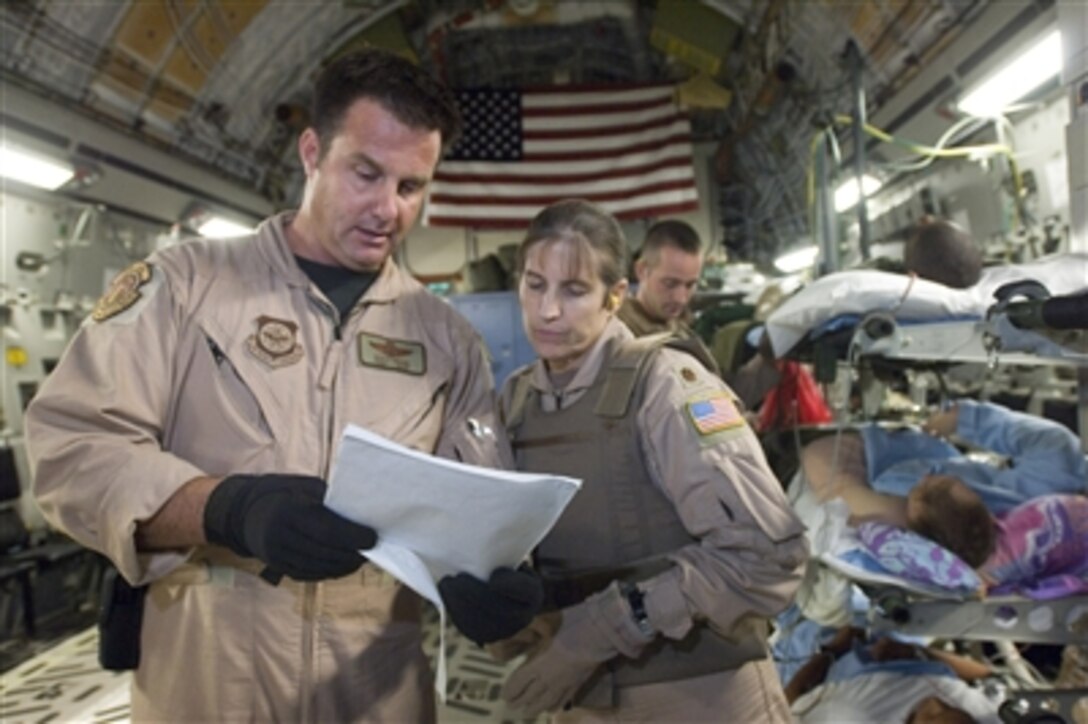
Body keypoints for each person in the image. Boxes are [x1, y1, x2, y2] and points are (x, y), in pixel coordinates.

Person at [25, 49, 540, 722]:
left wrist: (498, 580)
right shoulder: (185, 286)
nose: (388, 208)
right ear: (310, 153)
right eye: (365, 173)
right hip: (213, 679)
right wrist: (227, 510)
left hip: (372, 688)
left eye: (411, 186)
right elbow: (71, 449)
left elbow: (477, 501)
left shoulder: (445, 339)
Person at [494, 199, 808, 721]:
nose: (547, 310)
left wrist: (596, 632)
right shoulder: (517, 400)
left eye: (574, 290)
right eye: (534, 284)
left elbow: (766, 554)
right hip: (587, 697)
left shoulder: (665, 385)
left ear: (615, 296)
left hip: (702, 695)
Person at [800, 399, 1087, 527]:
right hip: (908, 484)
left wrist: (958, 418)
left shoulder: (1060, 453)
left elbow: (995, 424)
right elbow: (997, 425)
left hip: (913, 490)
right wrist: (959, 419)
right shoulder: (1060, 456)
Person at [785, 626, 999, 723]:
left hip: (826, 661)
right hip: (903, 645)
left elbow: (789, 698)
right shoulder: (989, 716)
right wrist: (918, 652)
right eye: (947, 706)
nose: (935, 702)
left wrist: (832, 651)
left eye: (932, 714)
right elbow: (985, 673)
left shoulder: (844, 715)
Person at [616, 219, 720, 373]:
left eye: (690, 285)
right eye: (670, 284)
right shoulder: (620, 335)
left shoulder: (681, 329)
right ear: (642, 270)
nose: (681, 298)